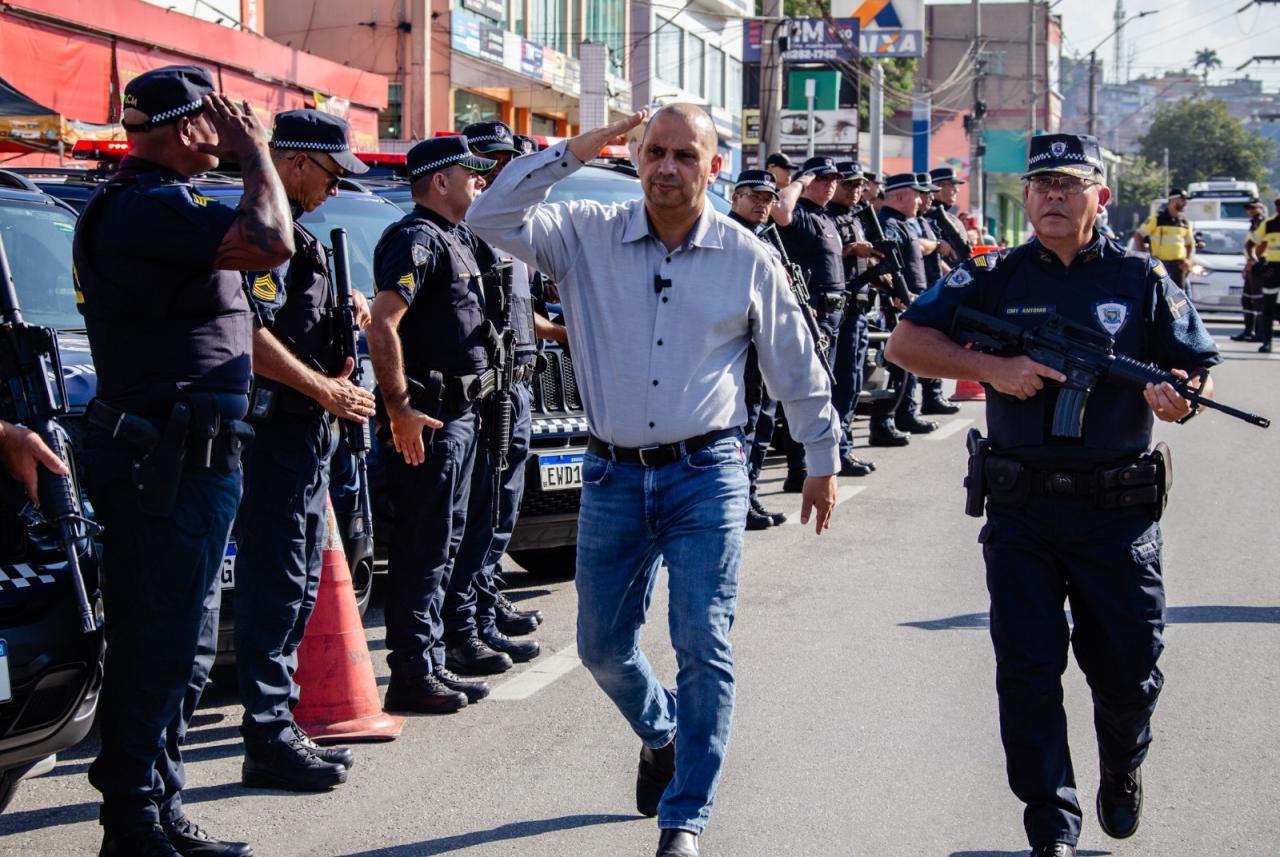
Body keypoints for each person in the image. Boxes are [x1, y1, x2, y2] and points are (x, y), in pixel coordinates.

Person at [468, 104, 840, 857]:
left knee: (703, 637)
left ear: (713, 166)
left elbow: (795, 364)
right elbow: (489, 214)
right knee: (602, 645)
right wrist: (577, 148)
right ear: (636, 158)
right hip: (612, 476)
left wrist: (821, 458)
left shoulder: (746, 257)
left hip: (708, 474)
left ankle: (686, 817)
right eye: (654, 152)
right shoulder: (584, 234)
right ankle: (660, 729)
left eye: (685, 154)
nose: (667, 167)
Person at [884, 133, 1220, 857]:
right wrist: (990, 367)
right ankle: (1051, 822)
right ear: (1028, 196)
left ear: (1100, 193)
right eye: (1042, 185)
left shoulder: (1141, 279)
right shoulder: (992, 273)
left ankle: (1123, 762)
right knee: (1028, 671)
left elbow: (1196, 372)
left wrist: (1178, 400)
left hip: (1117, 510)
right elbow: (904, 343)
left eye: (1070, 185)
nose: (1054, 197)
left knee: (1130, 666)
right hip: (1022, 509)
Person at [74, 65, 295, 857]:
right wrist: (255, 152)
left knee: (182, 646)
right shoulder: (149, 207)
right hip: (166, 460)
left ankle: (157, 806)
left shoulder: (160, 205)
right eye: (215, 117)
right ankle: (130, 822)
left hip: (186, 457)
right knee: (159, 642)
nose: (228, 126)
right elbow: (272, 241)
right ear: (184, 125)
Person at [233, 109, 375, 792]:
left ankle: (278, 722)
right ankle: (266, 732)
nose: (337, 189)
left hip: (307, 437)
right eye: (330, 173)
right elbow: (253, 338)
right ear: (293, 164)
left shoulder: (299, 241)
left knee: (296, 584)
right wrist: (324, 390)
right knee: (276, 583)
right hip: (276, 434)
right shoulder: (260, 239)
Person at [367, 135, 500, 713]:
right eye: (469, 173)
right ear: (440, 181)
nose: (479, 180)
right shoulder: (417, 240)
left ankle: (433, 663)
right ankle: (411, 674)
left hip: (464, 413)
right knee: (423, 547)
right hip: (431, 416)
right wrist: (397, 406)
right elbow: (382, 322)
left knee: (445, 543)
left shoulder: (458, 239)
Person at [440, 120, 551, 674]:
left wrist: (557, 332)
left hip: (519, 380)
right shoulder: (475, 228)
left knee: (502, 508)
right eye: (490, 161)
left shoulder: (511, 225)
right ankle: (468, 623)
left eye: (509, 160)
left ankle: (484, 604)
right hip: (487, 390)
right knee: (480, 512)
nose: (501, 171)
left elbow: (517, 309)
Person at [772, 155, 848, 492]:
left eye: (834, 179)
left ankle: (819, 460)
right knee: (808, 389)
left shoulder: (825, 217)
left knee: (827, 388)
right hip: (812, 312)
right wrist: (800, 181)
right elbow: (780, 212)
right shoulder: (798, 210)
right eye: (823, 178)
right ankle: (798, 468)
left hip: (834, 313)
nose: (831, 184)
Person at [725, 168, 788, 529]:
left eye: (768, 200)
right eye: (755, 197)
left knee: (763, 423)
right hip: (742, 347)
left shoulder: (766, 237)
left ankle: (750, 496)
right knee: (745, 425)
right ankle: (738, 502)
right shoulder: (730, 235)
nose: (762, 205)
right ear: (736, 197)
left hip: (766, 345)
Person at [827, 161, 881, 476]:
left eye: (859, 186)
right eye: (849, 185)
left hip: (860, 307)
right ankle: (835, 451)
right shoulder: (826, 217)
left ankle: (845, 447)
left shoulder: (858, 217)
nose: (855, 191)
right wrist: (850, 250)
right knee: (839, 381)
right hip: (839, 308)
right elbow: (820, 254)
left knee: (852, 382)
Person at [872, 173, 933, 447]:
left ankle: (903, 414)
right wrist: (899, 293)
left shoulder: (901, 223)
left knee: (908, 365)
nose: (921, 199)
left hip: (909, 302)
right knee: (896, 366)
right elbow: (884, 264)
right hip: (896, 304)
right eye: (916, 194)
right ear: (898, 196)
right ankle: (884, 423)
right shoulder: (890, 225)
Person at [1134, 188, 1195, 287]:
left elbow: (1189, 244)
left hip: (1178, 268)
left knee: (1177, 300)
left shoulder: (1184, 222)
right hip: (1159, 266)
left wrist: (1188, 260)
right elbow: (1138, 235)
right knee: (1158, 296)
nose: (1185, 203)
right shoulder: (1157, 219)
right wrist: (1144, 257)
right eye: (1183, 200)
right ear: (1173, 200)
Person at [1246, 197, 1280, 353]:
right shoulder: (1269, 224)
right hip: (1273, 269)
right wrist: (1256, 262)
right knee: (1268, 307)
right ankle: (1267, 342)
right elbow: (1250, 244)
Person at [1234, 197, 1266, 342]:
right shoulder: (1254, 223)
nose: (1250, 211)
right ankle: (1248, 330)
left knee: (1258, 301)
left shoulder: (1262, 222)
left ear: (1260, 208)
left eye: (1253, 208)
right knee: (1247, 299)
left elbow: (1261, 245)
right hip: (1252, 265)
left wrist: (1251, 263)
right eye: (1248, 208)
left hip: (1259, 265)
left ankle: (1260, 332)